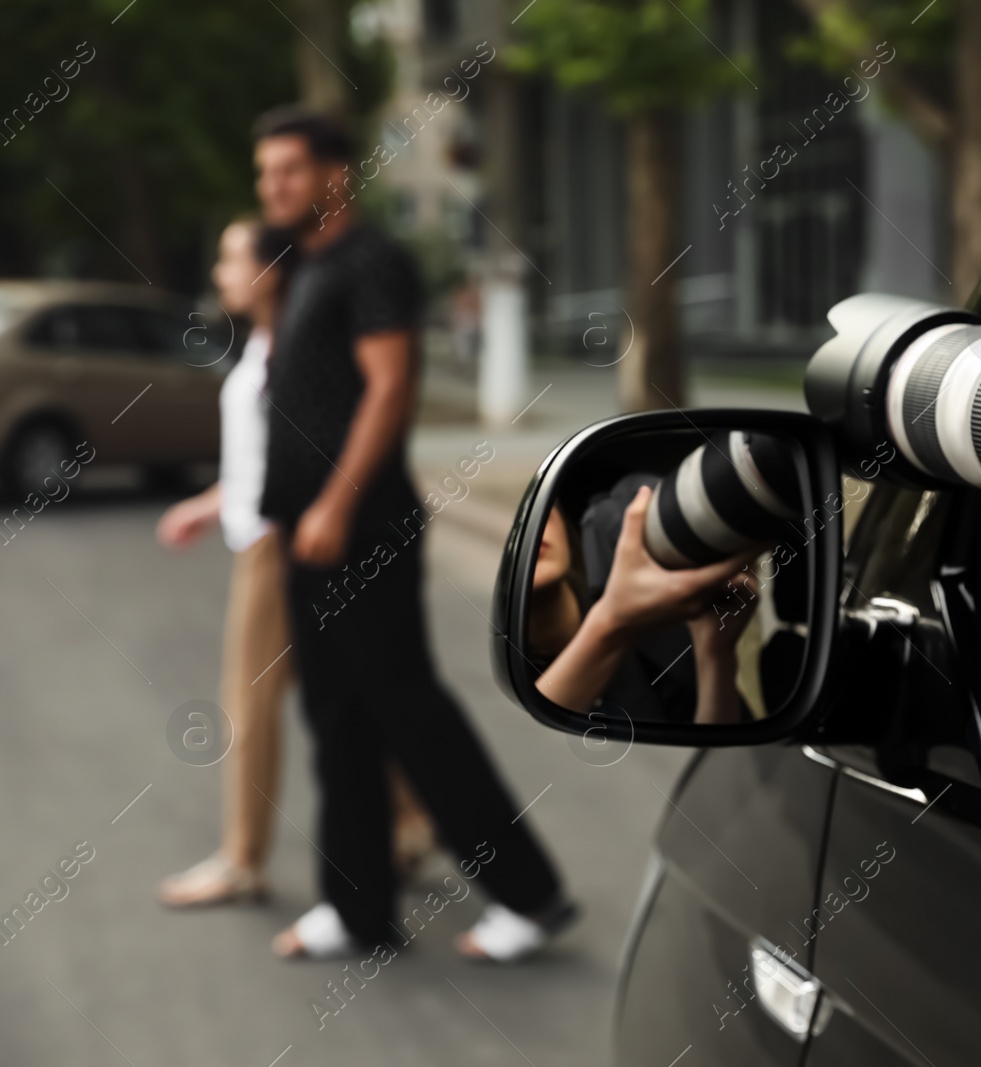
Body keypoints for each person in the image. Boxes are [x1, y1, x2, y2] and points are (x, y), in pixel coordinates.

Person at [250, 106, 570, 962]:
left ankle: (529, 895)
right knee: (336, 713)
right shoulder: (304, 265)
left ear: (336, 176)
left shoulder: (373, 261)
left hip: (361, 527)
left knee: (406, 707)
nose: (271, 186)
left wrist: (335, 504)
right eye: (265, 172)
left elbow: (388, 390)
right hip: (308, 529)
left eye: (287, 170)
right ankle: (358, 910)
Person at [153, 220, 438, 907]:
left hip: (277, 545)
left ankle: (243, 859)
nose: (220, 272)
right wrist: (209, 502)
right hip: (266, 531)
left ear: (271, 272)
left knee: (249, 704)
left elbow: (315, 450)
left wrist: (327, 512)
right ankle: (413, 821)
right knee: (358, 686)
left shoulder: (300, 352)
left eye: (231, 258)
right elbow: (258, 459)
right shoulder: (262, 347)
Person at [529, 486, 758, 725]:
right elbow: (529, 738)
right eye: (518, 524)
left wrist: (714, 652)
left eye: (536, 505)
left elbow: (716, 750)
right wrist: (614, 622)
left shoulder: (660, 632)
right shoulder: (514, 678)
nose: (532, 526)